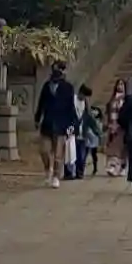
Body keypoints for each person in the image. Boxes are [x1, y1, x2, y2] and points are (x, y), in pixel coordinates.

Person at [34, 59, 77, 187]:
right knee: (44, 150)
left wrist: (72, 124)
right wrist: (37, 118)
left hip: (61, 123)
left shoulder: (68, 88)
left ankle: (56, 176)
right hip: (47, 122)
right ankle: (48, 169)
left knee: (58, 154)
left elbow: (71, 107)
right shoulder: (47, 86)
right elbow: (41, 103)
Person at [104, 77, 128, 177]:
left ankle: (121, 167)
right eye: (118, 84)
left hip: (121, 126)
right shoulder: (112, 99)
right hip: (111, 126)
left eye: (122, 84)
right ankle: (112, 166)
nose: (120, 86)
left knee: (121, 149)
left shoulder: (125, 99)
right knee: (112, 148)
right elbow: (108, 112)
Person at [78, 87, 103, 177]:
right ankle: (79, 170)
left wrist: (98, 133)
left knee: (89, 152)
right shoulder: (78, 103)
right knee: (82, 152)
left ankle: (82, 170)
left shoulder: (87, 107)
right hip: (80, 131)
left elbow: (92, 122)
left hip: (87, 133)